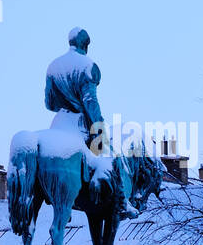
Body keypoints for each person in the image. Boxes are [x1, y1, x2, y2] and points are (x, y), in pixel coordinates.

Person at [45, 28, 137, 220]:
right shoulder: (88, 66)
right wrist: (98, 126)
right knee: (112, 157)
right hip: (81, 125)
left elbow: (49, 104)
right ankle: (121, 203)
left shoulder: (53, 67)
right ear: (86, 45)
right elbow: (90, 102)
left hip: (59, 124)